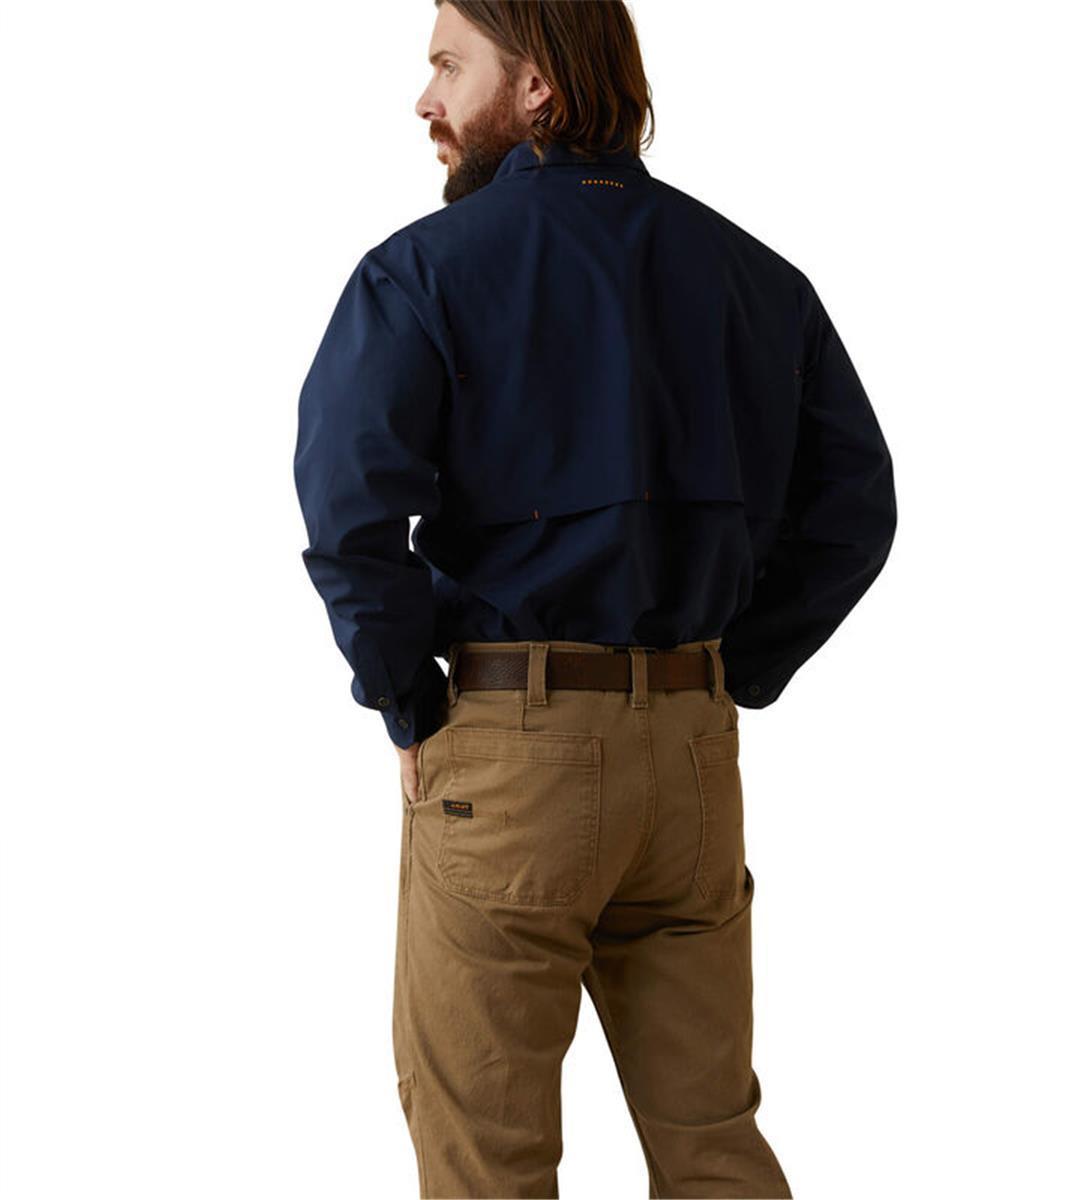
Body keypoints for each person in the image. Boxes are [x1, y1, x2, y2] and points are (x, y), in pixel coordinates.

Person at [292, 1, 897, 1195]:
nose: (425, 99)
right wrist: (735, 670)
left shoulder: (422, 272)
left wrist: (409, 699)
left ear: (539, 88)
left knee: (487, 1160)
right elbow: (855, 508)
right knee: (712, 1143)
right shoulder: (757, 278)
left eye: (449, 65)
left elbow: (348, 509)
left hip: (511, 765)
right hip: (691, 762)